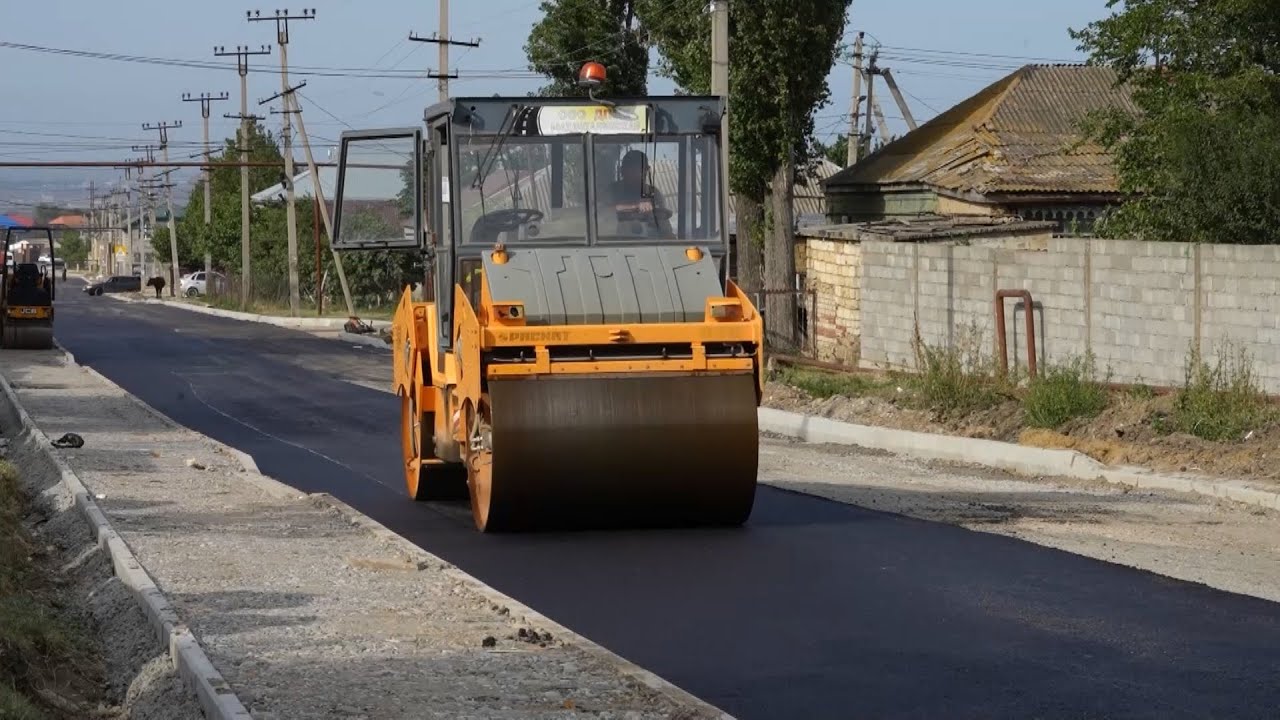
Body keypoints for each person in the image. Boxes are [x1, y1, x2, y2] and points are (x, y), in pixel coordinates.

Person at [606, 150, 674, 237]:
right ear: (622, 170)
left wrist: (658, 217)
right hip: (614, 241)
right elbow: (600, 212)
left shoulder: (653, 194)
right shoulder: (612, 191)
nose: (639, 174)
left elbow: (664, 227)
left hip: (648, 242)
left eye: (642, 170)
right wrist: (636, 207)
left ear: (647, 171)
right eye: (632, 170)